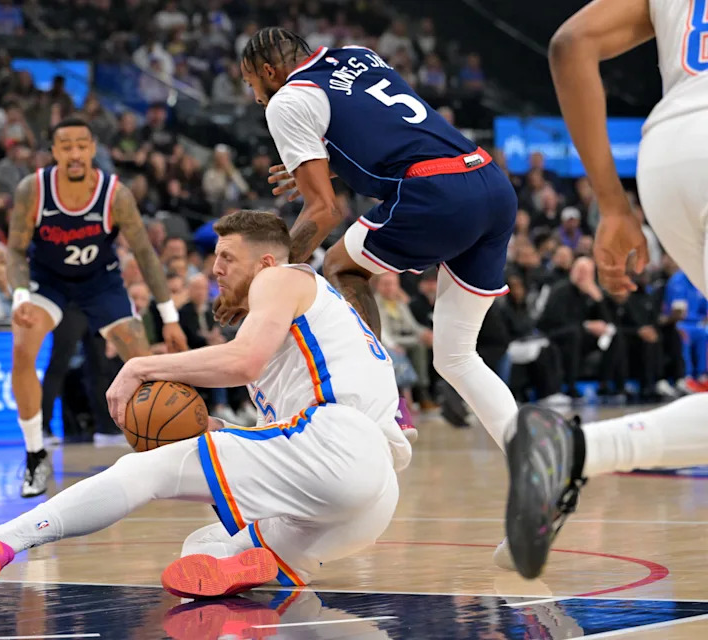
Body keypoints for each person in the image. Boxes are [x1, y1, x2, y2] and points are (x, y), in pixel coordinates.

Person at [0, 209, 410, 597]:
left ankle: (1, 539)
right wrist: (215, 430)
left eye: (227, 257)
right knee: (204, 551)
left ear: (267, 262)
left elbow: (243, 361)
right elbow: (284, 415)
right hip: (368, 504)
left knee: (143, 471)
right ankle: (253, 579)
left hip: (336, 446)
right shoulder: (321, 329)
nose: (215, 269)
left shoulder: (284, 278)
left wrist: (142, 365)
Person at [232, 29, 515, 482]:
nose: (255, 96)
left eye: (252, 84)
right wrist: (322, 163)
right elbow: (384, 128)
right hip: (490, 183)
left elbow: (324, 211)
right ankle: (534, 456)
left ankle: (384, 411)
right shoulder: (358, 55)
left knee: (340, 265)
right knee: (456, 356)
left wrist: (264, 286)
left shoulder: (287, 100)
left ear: (269, 71)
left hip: (436, 192)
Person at [505, 0, 708, 580]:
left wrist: (614, 207)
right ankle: (571, 449)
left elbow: (570, 44)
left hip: (668, 155)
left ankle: (576, 451)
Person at [5, 117, 187, 497]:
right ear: (54, 152)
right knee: (22, 347)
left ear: (92, 149)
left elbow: (145, 254)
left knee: (143, 359)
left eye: (81, 146)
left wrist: (169, 317)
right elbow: (17, 250)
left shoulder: (115, 194)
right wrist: (20, 295)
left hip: (99, 281)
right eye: (66, 146)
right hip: (48, 281)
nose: (74, 153)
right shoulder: (33, 189)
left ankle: (167, 453)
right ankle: (35, 454)